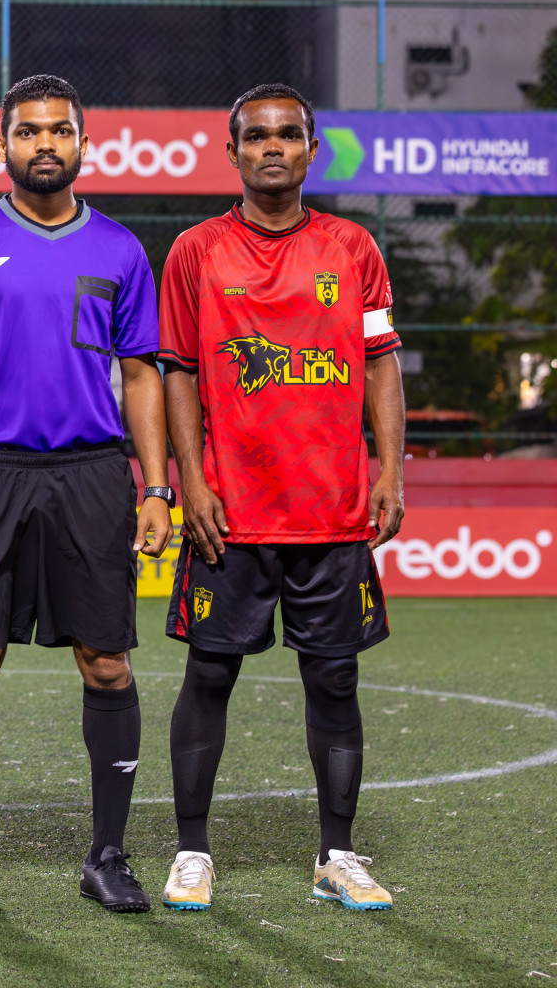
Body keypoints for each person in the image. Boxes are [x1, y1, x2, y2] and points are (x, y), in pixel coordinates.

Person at [0, 74, 172, 914]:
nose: (45, 144)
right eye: (29, 132)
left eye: (60, 130)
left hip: (95, 475)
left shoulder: (122, 251)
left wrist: (157, 485)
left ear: (82, 143)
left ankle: (108, 855)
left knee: (106, 664)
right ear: (5, 145)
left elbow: (142, 377)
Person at [157, 83, 404, 913]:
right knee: (210, 673)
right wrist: (190, 479)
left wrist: (391, 470)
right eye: (256, 136)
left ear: (310, 149)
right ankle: (192, 852)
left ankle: (338, 855)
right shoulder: (195, 250)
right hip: (232, 509)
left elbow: (379, 366)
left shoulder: (353, 248)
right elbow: (180, 371)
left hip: (331, 512)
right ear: (231, 152)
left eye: (288, 135)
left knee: (334, 681)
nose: (273, 148)